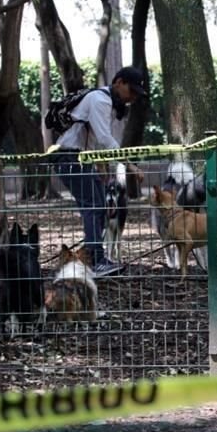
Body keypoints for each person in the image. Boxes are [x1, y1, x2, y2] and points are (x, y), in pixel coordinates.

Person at [51, 66, 147, 277]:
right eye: (130, 90)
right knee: (93, 205)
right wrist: (129, 165)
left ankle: (94, 257)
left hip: (82, 159)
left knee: (99, 204)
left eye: (135, 94)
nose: (131, 97)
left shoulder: (108, 103)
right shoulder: (100, 100)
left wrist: (100, 166)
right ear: (118, 82)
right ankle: (95, 260)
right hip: (69, 157)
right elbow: (104, 139)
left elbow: (94, 139)